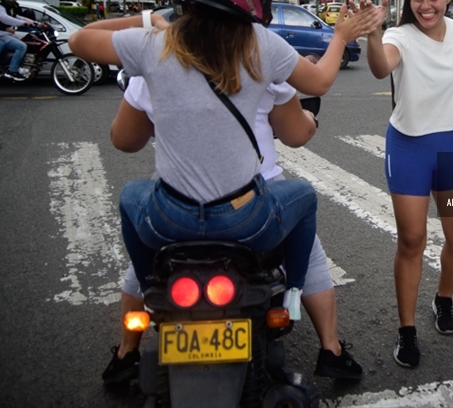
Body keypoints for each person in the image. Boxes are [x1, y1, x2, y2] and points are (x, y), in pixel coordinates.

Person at [68, 0, 376, 326]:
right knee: (304, 196)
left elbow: (78, 40)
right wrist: (340, 36)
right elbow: (319, 83)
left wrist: (149, 18)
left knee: (130, 195)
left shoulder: (153, 45)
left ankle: (150, 290)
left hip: (168, 221)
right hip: (245, 221)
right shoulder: (261, 45)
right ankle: (294, 295)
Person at [102, 72, 363, 384]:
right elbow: (297, 133)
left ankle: (128, 350)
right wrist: (308, 116)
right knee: (313, 254)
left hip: (178, 208)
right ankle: (329, 347)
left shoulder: (156, 67)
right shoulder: (262, 62)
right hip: (251, 210)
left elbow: (124, 139)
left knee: (142, 259)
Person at [359, 0, 453, 369]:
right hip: (409, 148)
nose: (425, 6)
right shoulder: (399, 37)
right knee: (412, 240)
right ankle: (406, 331)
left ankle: (443, 300)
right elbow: (381, 66)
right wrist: (372, 33)